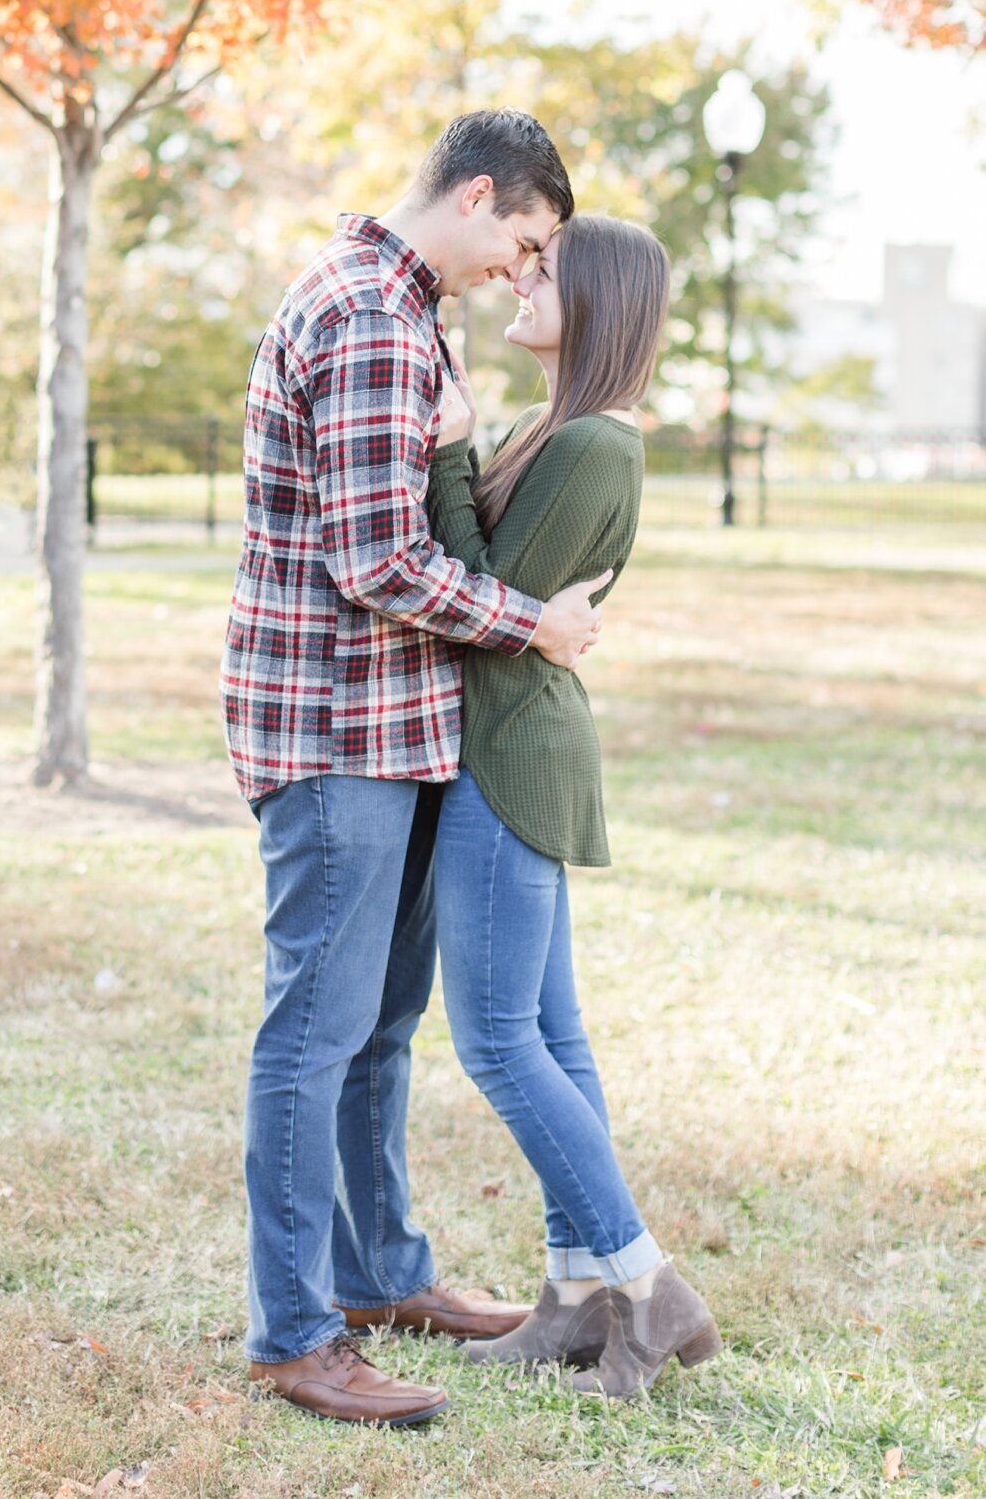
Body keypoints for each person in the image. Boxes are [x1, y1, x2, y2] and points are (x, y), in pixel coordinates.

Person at [221, 111, 612, 1429]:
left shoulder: (401, 309)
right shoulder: (372, 316)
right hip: (336, 736)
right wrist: (536, 622)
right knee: (313, 1038)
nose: (523, 267)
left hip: (393, 733)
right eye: (528, 238)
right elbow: (376, 561)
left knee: (378, 1029)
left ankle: (381, 1274)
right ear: (480, 194)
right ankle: (295, 1331)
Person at [427, 213, 723, 1398]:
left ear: (595, 301)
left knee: (498, 1042)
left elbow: (480, 602)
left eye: (542, 269)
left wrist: (446, 454)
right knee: (549, 1038)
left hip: (511, 751)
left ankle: (650, 1291)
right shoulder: (554, 427)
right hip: (511, 740)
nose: (518, 275)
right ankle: (571, 1292)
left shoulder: (595, 443)